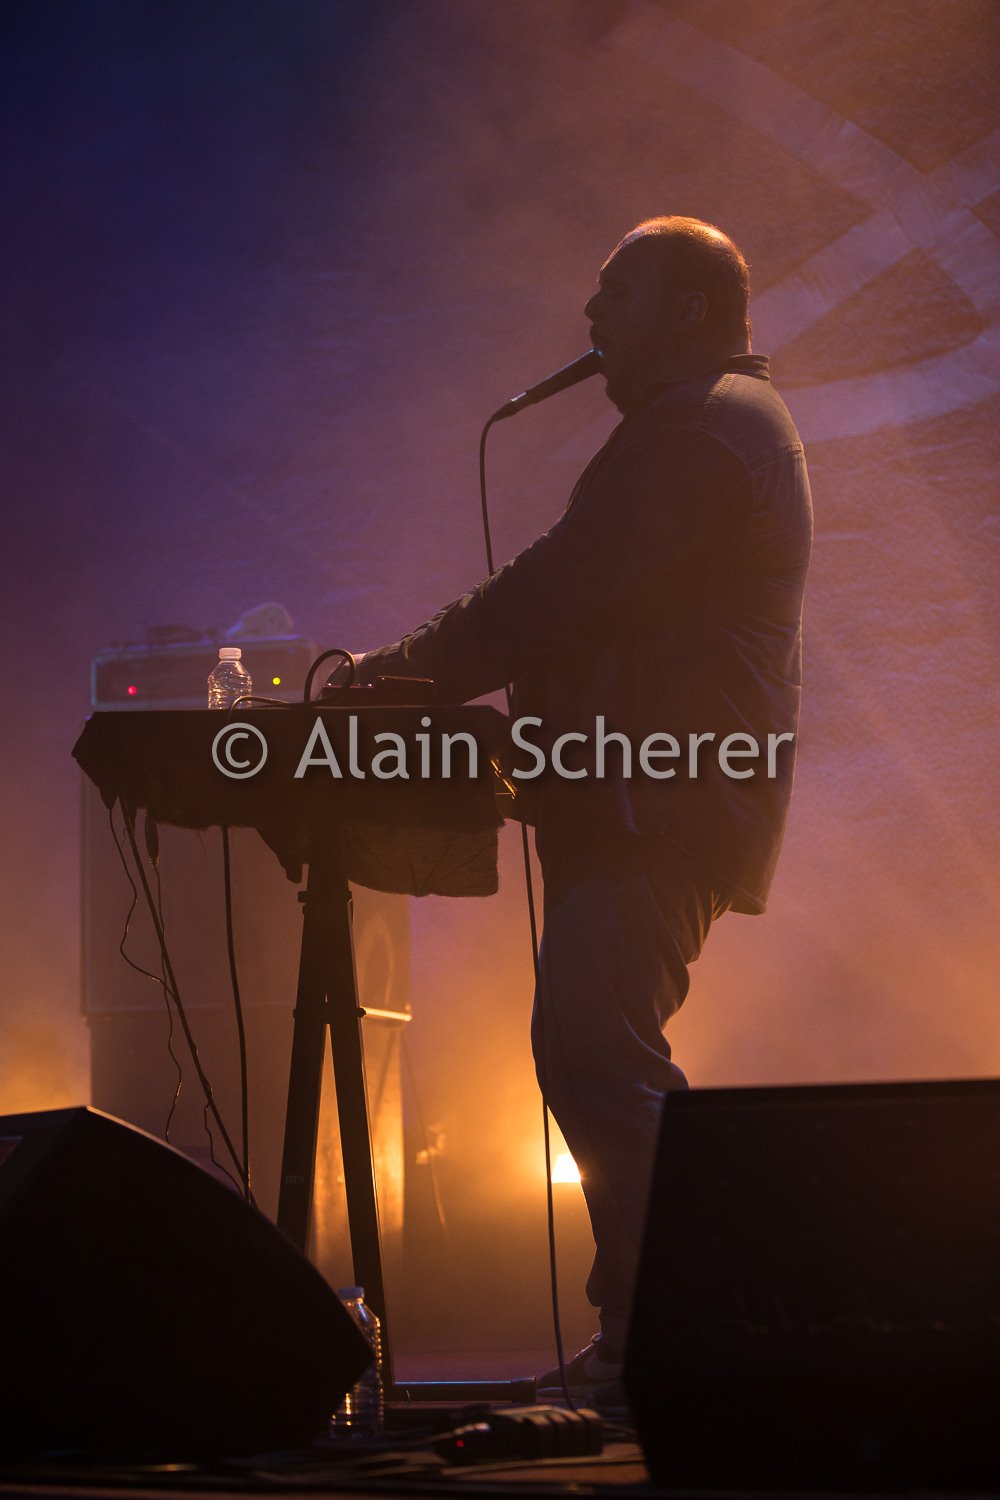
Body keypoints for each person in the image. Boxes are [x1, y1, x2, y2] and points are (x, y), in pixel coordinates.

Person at [356, 216, 813, 1399]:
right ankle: (645, 1337)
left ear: (692, 310)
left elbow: (556, 589)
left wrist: (393, 676)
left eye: (618, 293)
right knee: (589, 1049)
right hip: (637, 788)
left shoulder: (703, 428)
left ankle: (709, 1332)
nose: (592, 317)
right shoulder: (706, 422)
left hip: (660, 795)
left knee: (595, 1050)